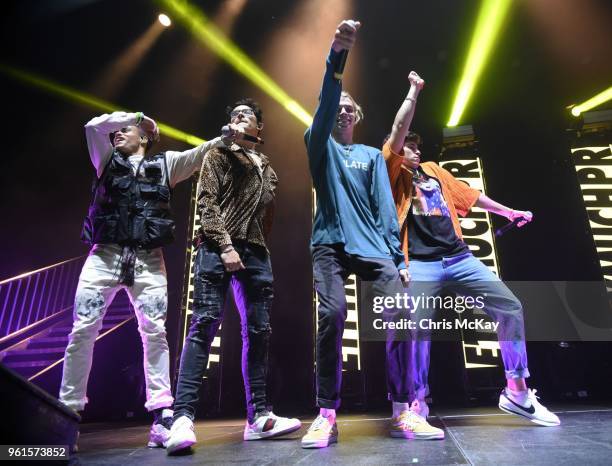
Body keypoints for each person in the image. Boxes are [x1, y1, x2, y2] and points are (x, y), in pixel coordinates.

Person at [383, 71, 560, 428]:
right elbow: (399, 132)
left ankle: (517, 391)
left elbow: (470, 195)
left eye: (416, 146)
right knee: (415, 327)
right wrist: (414, 93)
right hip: (419, 263)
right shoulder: (390, 172)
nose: (413, 150)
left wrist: (508, 211)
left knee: (510, 306)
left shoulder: (433, 171)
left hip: (459, 258)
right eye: (407, 146)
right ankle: (415, 403)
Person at [301, 20, 444, 449]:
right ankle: (327, 414)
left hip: (373, 247)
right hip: (328, 244)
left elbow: (385, 207)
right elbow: (327, 101)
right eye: (338, 106)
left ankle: (404, 409)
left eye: (350, 108)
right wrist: (338, 57)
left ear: (358, 117)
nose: (343, 110)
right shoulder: (318, 143)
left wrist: (398, 260)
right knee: (332, 315)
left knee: (402, 313)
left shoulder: (369, 156)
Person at [59, 111, 232, 449]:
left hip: (148, 260)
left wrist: (226, 136)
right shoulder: (106, 159)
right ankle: (67, 416)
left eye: (127, 130)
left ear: (146, 137)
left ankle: (161, 415)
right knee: (82, 331)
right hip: (104, 256)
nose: (117, 133)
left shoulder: (166, 165)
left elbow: (201, 154)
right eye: (118, 130)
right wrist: (135, 116)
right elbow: (94, 127)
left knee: (154, 333)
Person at [166, 98, 301, 455]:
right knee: (205, 324)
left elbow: (266, 214)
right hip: (216, 247)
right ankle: (181, 418)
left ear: (260, 127)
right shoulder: (218, 154)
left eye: (247, 115)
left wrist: (256, 247)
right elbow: (207, 202)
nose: (239, 118)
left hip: (256, 253)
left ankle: (259, 417)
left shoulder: (267, 166)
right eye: (234, 114)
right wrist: (225, 245)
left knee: (258, 332)